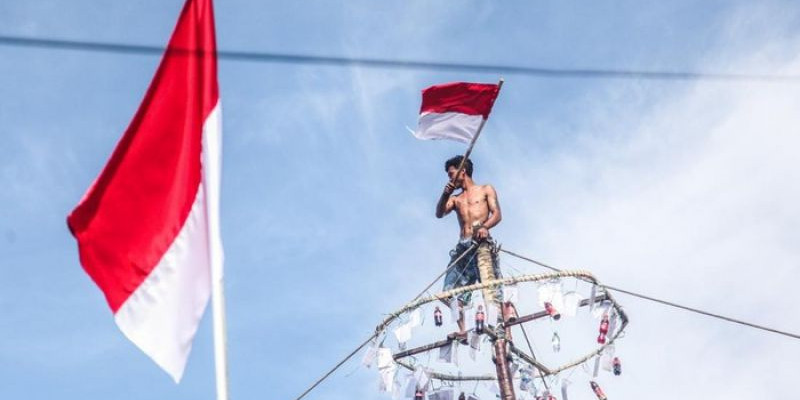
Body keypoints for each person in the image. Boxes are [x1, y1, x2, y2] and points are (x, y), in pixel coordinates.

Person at [435, 155, 504, 341]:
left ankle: (498, 330)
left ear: (462, 171)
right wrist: (445, 193)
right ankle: (463, 329)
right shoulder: (456, 199)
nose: (450, 178)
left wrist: (484, 227)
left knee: (490, 288)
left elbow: (497, 214)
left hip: (480, 243)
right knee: (448, 291)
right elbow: (439, 213)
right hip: (462, 247)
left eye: (451, 174)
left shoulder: (485, 189)